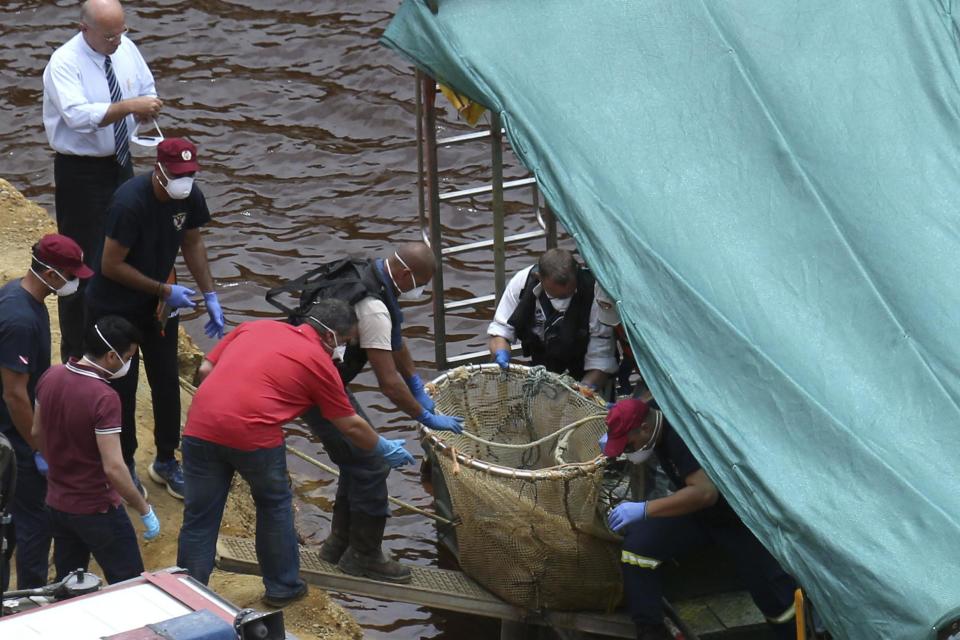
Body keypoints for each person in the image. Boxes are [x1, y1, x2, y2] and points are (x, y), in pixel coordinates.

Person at [177, 298, 414, 607]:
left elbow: (207, 369)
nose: (342, 348)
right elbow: (350, 425)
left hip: (200, 427)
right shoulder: (319, 361)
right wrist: (382, 448)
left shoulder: (254, 327)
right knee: (273, 505)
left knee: (199, 517)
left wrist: (223, 408)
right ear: (331, 336)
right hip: (254, 437)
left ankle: (186, 596)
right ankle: (282, 587)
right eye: (344, 341)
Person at [297, 243, 463, 584]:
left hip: (314, 374)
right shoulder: (372, 307)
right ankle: (365, 556)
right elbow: (387, 383)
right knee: (372, 461)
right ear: (405, 275)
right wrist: (424, 416)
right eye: (421, 282)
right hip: (315, 385)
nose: (420, 289)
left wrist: (415, 379)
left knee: (355, 459)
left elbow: (394, 340)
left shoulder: (365, 273)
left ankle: (338, 546)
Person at [85, 137, 225, 502]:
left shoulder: (189, 197)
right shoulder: (129, 203)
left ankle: (166, 459)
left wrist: (209, 293)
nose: (185, 181)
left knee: (166, 383)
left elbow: (191, 242)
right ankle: (125, 462)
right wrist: (163, 290)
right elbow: (110, 265)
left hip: (160, 307)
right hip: (117, 306)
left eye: (190, 173)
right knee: (123, 388)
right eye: (178, 174)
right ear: (159, 170)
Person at [603, 399, 797, 640]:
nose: (628, 451)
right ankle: (650, 630)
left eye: (629, 445)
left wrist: (644, 509)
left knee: (774, 596)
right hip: (699, 516)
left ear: (644, 428)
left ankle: (797, 633)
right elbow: (640, 401)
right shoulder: (657, 411)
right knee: (638, 548)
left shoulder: (679, 432)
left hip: (737, 519)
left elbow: (705, 493)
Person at [42, 0, 162, 362]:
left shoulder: (125, 47)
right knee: (81, 260)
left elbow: (145, 85)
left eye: (121, 31)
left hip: (120, 163)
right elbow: (78, 116)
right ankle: (76, 352)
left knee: (124, 248)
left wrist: (147, 110)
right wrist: (129, 107)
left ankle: (113, 342)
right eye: (109, 35)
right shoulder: (63, 63)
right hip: (81, 172)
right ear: (84, 29)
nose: (117, 41)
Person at [31, 316, 160, 585]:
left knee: (69, 586)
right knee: (130, 585)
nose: (129, 363)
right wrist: (143, 508)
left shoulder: (51, 376)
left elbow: (35, 433)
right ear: (112, 356)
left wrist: (60, 463)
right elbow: (114, 466)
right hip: (97, 509)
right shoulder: (104, 397)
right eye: (129, 357)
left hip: (58, 503)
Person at [0, 234, 94, 591]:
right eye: (71, 275)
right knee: (34, 524)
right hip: (14, 438)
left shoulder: (20, 296)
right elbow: (14, 394)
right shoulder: (21, 319)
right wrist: (38, 446)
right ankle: (31, 594)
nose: (74, 282)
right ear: (51, 274)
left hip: (16, 433)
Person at [487, 248, 617, 390]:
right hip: (542, 369)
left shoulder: (595, 295)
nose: (562, 303)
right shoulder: (522, 283)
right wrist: (501, 354)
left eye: (568, 295)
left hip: (585, 373)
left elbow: (601, 358)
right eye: (557, 297)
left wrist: (583, 390)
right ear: (539, 277)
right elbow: (500, 331)